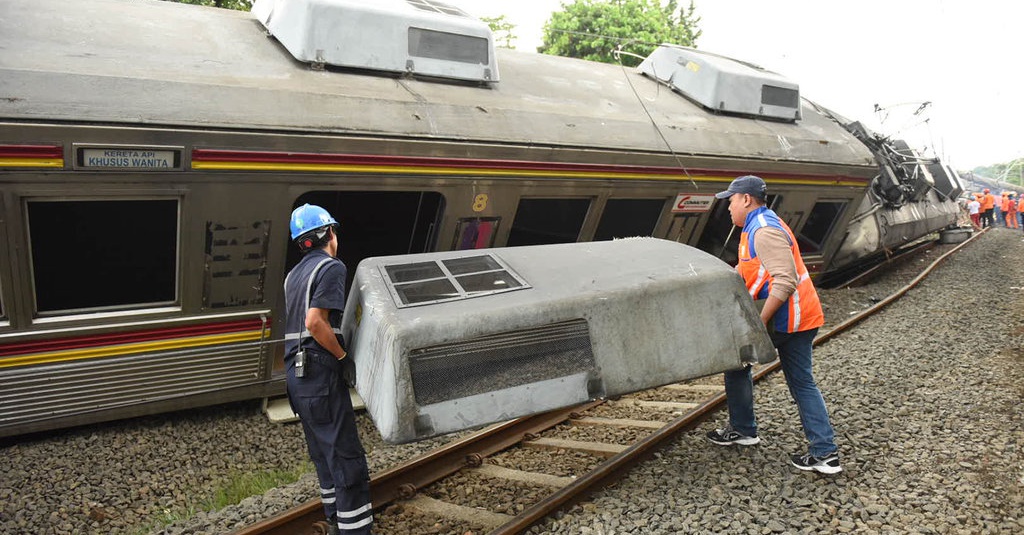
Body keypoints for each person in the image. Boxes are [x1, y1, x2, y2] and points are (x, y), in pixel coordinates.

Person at [705, 175, 841, 474]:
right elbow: (749, 268)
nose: (728, 207)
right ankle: (746, 430)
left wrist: (759, 322)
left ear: (746, 199)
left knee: (798, 382)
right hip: (791, 316)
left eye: (731, 200)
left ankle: (823, 452)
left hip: (790, 319)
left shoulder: (764, 230)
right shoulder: (753, 226)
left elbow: (786, 280)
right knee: (740, 367)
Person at [284, 204, 373, 534]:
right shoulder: (331, 267)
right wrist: (341, 357)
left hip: (295, 378)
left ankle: (336, 521)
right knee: (346, 457)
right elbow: (315, 322)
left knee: (324, 455)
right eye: (334, 231)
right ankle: (356, 530)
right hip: (320, 372)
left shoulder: (292, 277)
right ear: (328, 234)